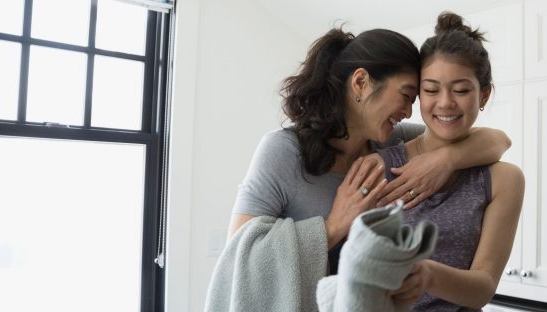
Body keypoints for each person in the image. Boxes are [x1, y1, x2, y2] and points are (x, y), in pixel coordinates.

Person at [208, 26, 511, 311]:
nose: (407, 112)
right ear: (361, 82)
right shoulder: (283, 150)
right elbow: (240, 255)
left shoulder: (388, 140)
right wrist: (332, 227)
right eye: (406, 96)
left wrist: (447, 160)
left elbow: (494, 140)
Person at [375, 12, 525, 311]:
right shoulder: (379, 165)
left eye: (461, 90)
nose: (444, 102)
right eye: (431, 90)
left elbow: (483, 286)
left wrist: (425, 273)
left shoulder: (504, 180)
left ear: (484, 94)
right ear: (418, 93)